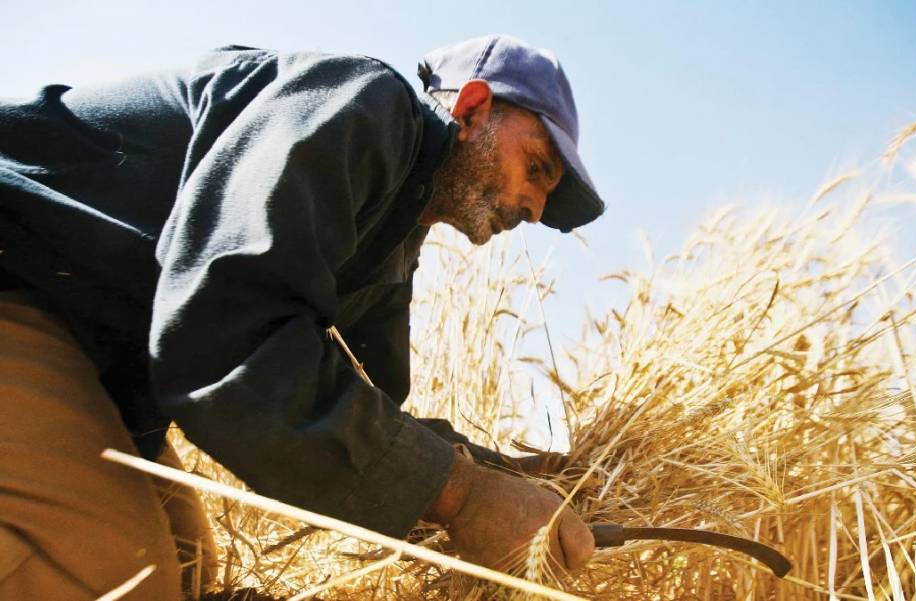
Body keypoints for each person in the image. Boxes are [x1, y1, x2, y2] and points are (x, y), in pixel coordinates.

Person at [0, 34, 605, 599]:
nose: (535, 209)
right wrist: (463, 495)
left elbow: (367, 406)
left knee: (189, 572)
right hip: (22, 281)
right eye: (537, 168)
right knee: (115, 572)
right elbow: (230, 325)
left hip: (97, 367)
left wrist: (501, 472)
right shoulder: (366, 105)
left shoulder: (392, 242)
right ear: (471, 109)